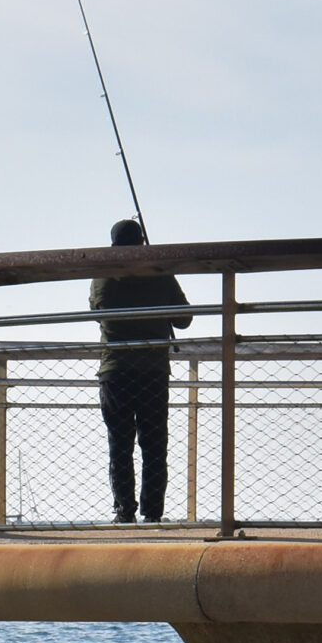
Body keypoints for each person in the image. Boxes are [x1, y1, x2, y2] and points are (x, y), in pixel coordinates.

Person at [90, 219, 191, 524]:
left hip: (115, 370)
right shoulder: (160, 274)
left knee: (120, 444)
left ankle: (124, 511)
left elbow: (96, 312)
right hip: (152, 371)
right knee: (154, 444)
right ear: (142, 243)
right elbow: (185, 319)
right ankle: (153, 512)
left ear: (113, 247)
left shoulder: (102, 276)